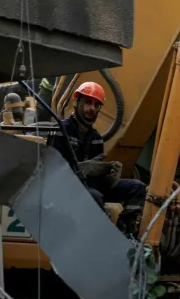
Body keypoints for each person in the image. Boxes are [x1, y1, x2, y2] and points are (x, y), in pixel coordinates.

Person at [46, 81, 146, 237]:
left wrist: (109, 178)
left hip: (88, 188)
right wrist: (81, 168)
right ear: (76, 101)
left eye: (96, 105)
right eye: (87, 102)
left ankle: (125, 233)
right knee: (94, 196)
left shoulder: (96, 139)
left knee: (137, 187)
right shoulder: (60, 130)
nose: (91, 108)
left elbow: (96, 182)